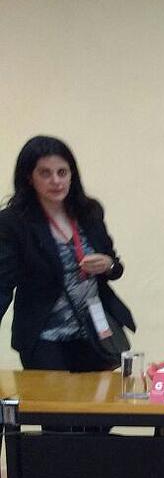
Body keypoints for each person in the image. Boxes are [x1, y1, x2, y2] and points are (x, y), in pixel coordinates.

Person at [0, 135, 135, 371]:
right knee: (51, 395)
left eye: (62, 172)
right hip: (45, 337)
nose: (56, 181)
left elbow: (115, 267)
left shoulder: (89, 212)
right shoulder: (14, 223)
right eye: (45, 173)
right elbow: (3, 283)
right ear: (29, 177)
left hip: (95, 332)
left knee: (101, 394)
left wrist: (108, 265)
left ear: (72, 174)